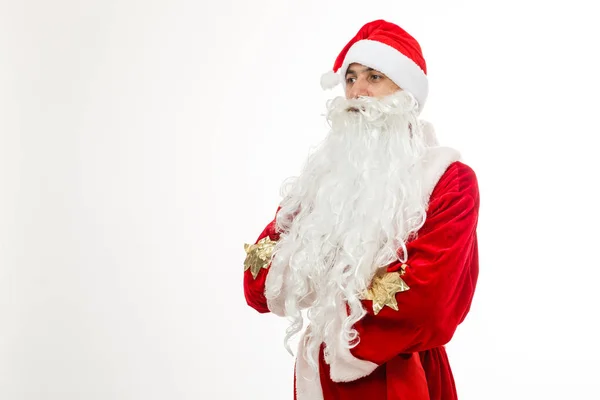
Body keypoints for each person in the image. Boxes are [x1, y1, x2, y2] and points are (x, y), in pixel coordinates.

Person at [243, 19, 480, 400]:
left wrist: (323, 279)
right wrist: (351, 283)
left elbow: (427, 305)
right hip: (321, 381)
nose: (358, 92)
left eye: (374, 76)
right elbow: (258, 282)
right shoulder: (326, 181)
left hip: (403, 378)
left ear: (406, 94)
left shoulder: (448, 180)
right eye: (350, 78)